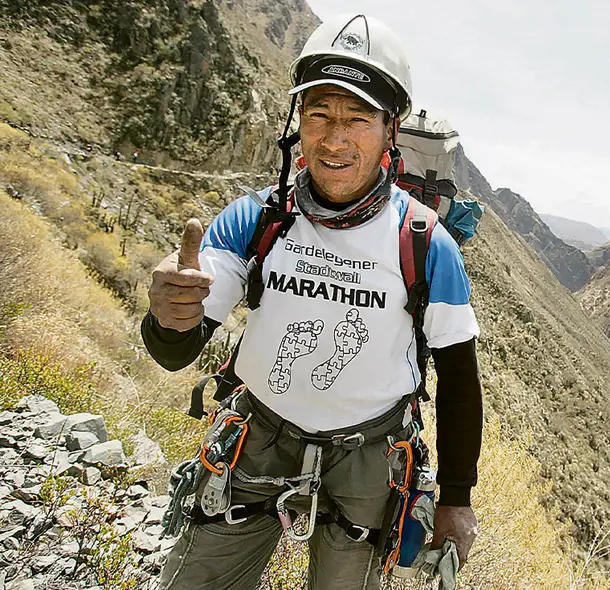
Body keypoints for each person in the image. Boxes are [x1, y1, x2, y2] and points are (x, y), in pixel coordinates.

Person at [141, 13, 483, 590]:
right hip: (259, 436)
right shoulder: (257, 218)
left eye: (357, 118)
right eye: (319, 114)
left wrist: (455, 498)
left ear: (389, 131)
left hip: (370, 454)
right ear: (299, 122)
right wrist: (169, 319)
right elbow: (176, 350)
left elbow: (458, 377)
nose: (335, 137)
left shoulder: (426, 244)